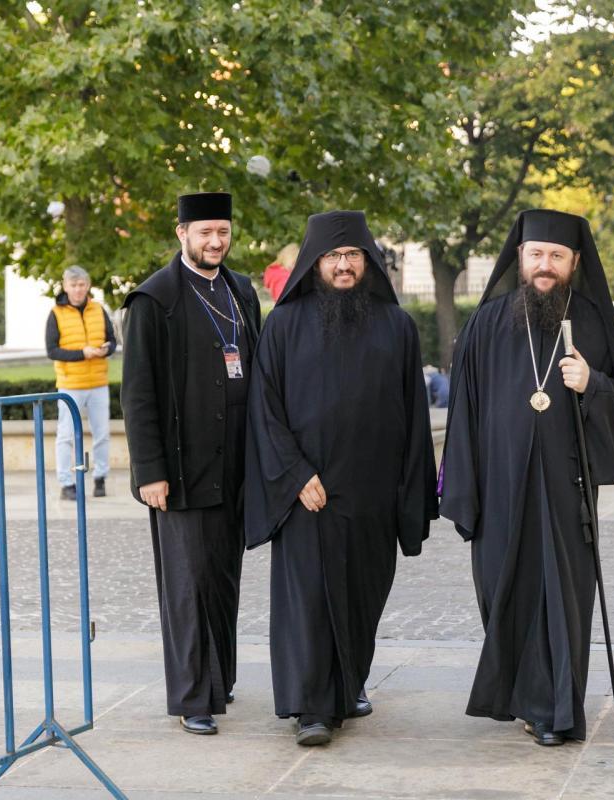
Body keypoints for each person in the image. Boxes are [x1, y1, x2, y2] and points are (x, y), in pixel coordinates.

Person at [440, 209, 614, 748]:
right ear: (520, 257)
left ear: (575, 262)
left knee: (563, 598)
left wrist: (593, 384)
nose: (545, 266)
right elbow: (463, 412)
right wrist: (464, 491)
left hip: (564, 492)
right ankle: (527, 697)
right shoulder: (486, 324)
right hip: (500, 494)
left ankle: (554, 708)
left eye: (557, 256)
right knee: (505, 593)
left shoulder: (596, 324)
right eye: (536, 255)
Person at [244, 210, 437, 747]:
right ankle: (312, 708)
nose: (344, 265)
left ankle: (348, 684)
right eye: (333, 256)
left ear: (368, 260)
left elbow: (414, 415)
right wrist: (295, 473)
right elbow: (265, 410)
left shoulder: (397, 326)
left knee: (361, 597)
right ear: (315, 263)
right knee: (308, 599)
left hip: (372, 493)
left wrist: (410, 491)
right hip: (307, 494)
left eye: (353, 255)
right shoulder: (282, 326)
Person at [120, 192, 263, 736]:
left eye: (223, 231)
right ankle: (191, 696)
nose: (215, 242)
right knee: (188, 584)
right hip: (179, 470)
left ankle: (218, 677)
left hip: (235, 466)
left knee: (224, 578)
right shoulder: (154, 300)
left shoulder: (240, 290)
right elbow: (137, 395)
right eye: (205, 232)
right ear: (181, 232)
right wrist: (148, 471)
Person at [45, 265, 117, 500]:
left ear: (88, 286)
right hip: (70, 385)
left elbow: (112, 340)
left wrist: (106, 349)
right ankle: (67, 483)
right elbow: (52, 350)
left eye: (82, 285)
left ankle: (100, 478)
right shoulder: (56, 313)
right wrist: (81, 353)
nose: (78, 290)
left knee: (102, 433)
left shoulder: (99, 309)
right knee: (65, 436)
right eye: (74, 285)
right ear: (66, 286)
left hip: (98, 382)